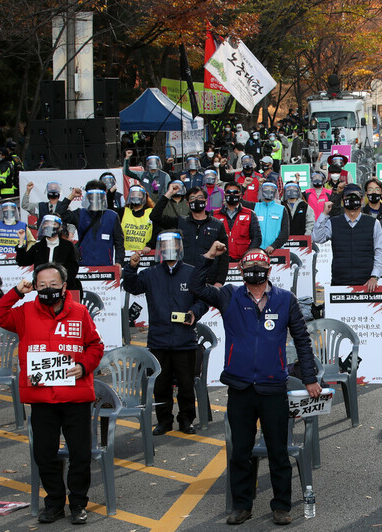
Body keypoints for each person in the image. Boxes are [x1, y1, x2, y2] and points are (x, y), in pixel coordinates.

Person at [191, 243, 321, 526]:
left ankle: (281, 506)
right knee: (240, 451)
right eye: (249, 270)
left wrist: (310, 378)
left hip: (273, 386)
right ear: (241, 271)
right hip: (240, 387)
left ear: (269, 271)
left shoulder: (286, 299)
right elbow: (196, 287)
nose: (255, 275)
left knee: (278, 450)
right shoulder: (229, 295)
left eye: (259, 270)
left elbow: (302, 339)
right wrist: (209, 257)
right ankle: (242, 505)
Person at [0, 263, 104, 525]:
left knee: (80, 454)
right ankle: (54, 503)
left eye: (53, 285)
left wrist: (83, 366)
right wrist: (17, 292)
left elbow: (96, 345)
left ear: (64, 286)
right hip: (42, 398)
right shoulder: (23, 312)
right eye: (41, 286)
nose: (47, 290)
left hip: (76, 397)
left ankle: (78, 503)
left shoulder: (79, 312)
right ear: (35, 286)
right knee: (44, 454)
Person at [122, 232, 207, 435]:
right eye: (165, 245)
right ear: (159, 249)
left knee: (186, 385)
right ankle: (164, 420)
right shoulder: (151, 274)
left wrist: (194, 313)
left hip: (184, 339)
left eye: (173, 245)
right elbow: (132, 286)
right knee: (161, 384)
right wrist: (131, 267)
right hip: (159, 340)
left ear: (179, 248)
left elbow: (202, 300)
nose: (170, 249)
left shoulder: (191, 272)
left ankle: (186, 420)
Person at [150, 184, 230, 285]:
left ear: (206, 201)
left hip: (208, 281)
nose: (196, 200)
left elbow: (224, 257)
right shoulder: (180, 221)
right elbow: (155, 216)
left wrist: (219, 282)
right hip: (182, 279)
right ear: (188, 204)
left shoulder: (217, 225)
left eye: (200, 197)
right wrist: (169, 193)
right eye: (192, 198)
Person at [312, 184, 382, 288]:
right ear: (342, 201)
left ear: (362, 200)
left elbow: (380, 252)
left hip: (366, 283)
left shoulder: (373, 223)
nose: (351, 200)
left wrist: (374, 276)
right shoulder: (333, 222)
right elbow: (317, 238)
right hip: (339, 282)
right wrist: (324, 213)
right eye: (348, 197)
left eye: (355, 197)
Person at [56, 182, 125, 266]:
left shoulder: (112, 216)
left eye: (98, 195)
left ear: (104, 196)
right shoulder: (80, 214)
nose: (95, 199)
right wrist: (72, 195)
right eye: (92, 195)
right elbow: (60, 214)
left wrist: (118, 262)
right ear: (88, 197)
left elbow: (119, 242)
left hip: (106, 265)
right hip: (84, 264)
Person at [15, 215, 81, 291]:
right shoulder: (38, 247)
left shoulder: (68, 246)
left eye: (53, 224)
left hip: (64, 287)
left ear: (60, 228)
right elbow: (22, 261)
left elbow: (73, 269)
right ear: (42, 226)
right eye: (46, 223)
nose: (49, 226)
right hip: (41, 287)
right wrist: (21, 240)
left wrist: (61, 284)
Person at [211, 182, 262, 263]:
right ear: (224, 194)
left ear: (241, 195)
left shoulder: (250, 214)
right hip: (219, 261)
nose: (232, 195)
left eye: (235, 192)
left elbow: (257, 238)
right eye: (228, 192)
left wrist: (247, 256)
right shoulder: (214, 214)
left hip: (242, 260)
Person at [251, 182, 289, 255]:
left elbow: (285, 233)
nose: (268, 191)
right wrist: (244, 186)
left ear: (275, 192)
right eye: (266, 189)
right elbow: (240, 201)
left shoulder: (281, 209)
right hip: (257, 250)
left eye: (271, 189)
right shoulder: (254, 206)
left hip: (276, 250)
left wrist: (274, 246)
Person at [118, 185, 155, 253]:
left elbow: (156, 231)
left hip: (145, 253)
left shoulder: (151, 212)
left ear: (144, 197)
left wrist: (150, 245)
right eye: (133, 194)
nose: (136, 196)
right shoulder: (122, 212)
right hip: (126, 253)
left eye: (139, 194)